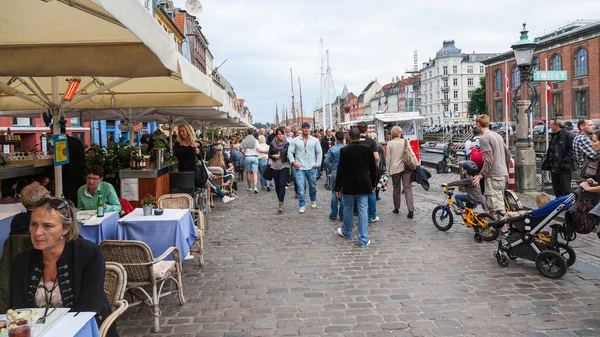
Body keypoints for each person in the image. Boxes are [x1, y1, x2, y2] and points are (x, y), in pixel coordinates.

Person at [11, 198, 118, 337]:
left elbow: (87, 309)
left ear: (65, 229)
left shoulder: (88, 254)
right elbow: (19, 309)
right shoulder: (22, 260)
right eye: (33, 224)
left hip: (81, 329)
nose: (37, 232)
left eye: (47, 226)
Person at [335, 127, 377, 248]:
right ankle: (363, 239)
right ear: (360, 136)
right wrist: (373, 183)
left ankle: (347, 231)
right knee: (363, 209)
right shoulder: (368, 150)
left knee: (348, 208)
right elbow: (372, 169)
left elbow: (340, 170)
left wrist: (337, 187)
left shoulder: (344, 150)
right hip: (364, 183)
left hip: (348, 183)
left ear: (349, 136)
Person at [473, 115, 511, 221]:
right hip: (502, 173)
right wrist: (505, 169)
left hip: (493, 175)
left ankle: (504, 229)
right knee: (494, 202)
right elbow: (507, 154)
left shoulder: (484, 138)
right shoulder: (497, 135)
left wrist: (480, 175)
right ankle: (488, 224)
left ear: (478, 124)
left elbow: (488, 160)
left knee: (497, 204)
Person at [288, 122, 322, 213]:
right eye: (304, 128)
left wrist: (317, 163)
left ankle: (313, 199)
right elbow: (290, 152)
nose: (306, 129)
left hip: (311, 166)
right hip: (300, 167)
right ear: (302, 129)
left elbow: (319, 152)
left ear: (309, 129)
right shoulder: (295, 140)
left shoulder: (314, 140)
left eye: (307, 128)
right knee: (301, 187)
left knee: (313, 186)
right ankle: (302, 204)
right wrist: (293, 162)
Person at [386, 126, 415, 218]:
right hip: (406, 167)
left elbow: (388, 159)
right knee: (408, 188)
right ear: (400, 132)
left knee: (396, 188)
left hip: (395, 168)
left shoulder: (389, 143)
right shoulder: (405, 141)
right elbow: (411, 153)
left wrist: (387, 171)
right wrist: (416, 163)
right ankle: (410, 210)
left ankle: (396, 208)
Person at [543, 118, 576, 197]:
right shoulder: (554, 135)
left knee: (566, 189)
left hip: (563, 168)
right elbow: (551, 150)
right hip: (554, 167)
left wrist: (564, 162)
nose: (550, 126)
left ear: (557, 125)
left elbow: (572, 151)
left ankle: (569, 206)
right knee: (557, 190)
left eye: (551, 124)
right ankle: (559, 205)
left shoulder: (568, 135)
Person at [357, 122, 380, 223]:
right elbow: (376, 157)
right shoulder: (371, 142)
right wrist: (373, 165)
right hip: (368, 170)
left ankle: (356, 211)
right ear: (366, 130)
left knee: (356, 191)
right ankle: (372, 215)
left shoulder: (354, 141)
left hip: (356, 169)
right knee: (371, 192)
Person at [60, 125, 85, 205]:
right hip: (79, 174)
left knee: (69, 199)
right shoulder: (76, 141)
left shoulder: (61, 143)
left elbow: (63, 162)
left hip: (68, 176)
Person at [324, 130, 345, 221]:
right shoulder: (346, 148)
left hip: (335, 172)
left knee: (334, 193)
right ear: (343, 138)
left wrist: (331, 168)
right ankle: (342, 215)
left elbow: (326, 161)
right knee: (343, 194)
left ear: (335, 138)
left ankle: (333, 214)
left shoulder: (332, 149)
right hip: (344, 173)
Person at [269, 127, 290, 213]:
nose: (281, 136)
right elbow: (269, 155)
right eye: (279, 134)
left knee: (282, 184)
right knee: (277, 185)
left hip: (284, 165)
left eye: (282, 134)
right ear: (276, 135)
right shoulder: (272, 144)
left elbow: (290, 154)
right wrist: (273, 156)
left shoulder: (287, 144)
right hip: (275, 165)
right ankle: (280, 199)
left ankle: (281, 203)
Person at [240, 128, 260, 193]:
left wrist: (245, 152)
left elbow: (242, 150)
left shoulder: (244, 140)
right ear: (253, 133)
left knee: (248, 173)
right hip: (254, 157)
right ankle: (255, 187)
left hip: (247, 157)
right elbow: (258, 149)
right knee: (255, 173)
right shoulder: (256, 140)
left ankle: (249, 187)